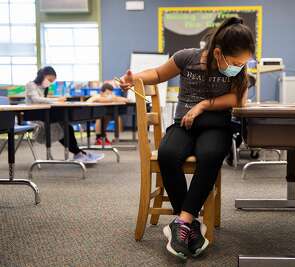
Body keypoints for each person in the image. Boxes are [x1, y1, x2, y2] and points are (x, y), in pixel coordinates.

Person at [119, 17, 255, 259]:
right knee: (168, 154)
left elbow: (238, 99)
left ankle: (181, 222)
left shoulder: (238, 69)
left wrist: (203, 104)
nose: (239, 66)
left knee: (210, 155)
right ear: (217, 52)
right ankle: (189, 225)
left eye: (243, 63)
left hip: (215, 125)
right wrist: (133, 78)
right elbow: (158, 74)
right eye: (235, 62)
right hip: (183, 124)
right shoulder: (187, 57)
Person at [25, 66, 104, 164]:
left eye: (52, 81)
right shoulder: (30, 85)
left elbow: (43, 102)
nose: (49, 83)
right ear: (43, 76)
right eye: (49, 80)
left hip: (44, 115)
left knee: (68, 127)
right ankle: (79, 153)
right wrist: (56, 100)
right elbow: (36, 100)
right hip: (36, 119)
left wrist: (57, 100)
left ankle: (79, 153)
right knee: (64, 129)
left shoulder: (44, 88)